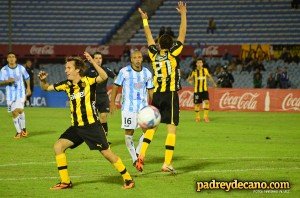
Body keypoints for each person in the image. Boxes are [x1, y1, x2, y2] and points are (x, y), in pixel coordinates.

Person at [38, 52, 134, 190]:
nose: (66, 70)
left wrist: (92, 62)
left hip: (92, 126)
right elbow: (46, 87)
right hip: (76, 127)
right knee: (58, 146)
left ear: (77, 69)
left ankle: (128, 179)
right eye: (65, 68)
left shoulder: (88, 80)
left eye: (68, 68)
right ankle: (65, 182)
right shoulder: (66, 85)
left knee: (107, 153)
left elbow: (104, 76)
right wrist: (42, 81)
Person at [136, 1, 187, 174]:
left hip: (156, 95)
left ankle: (140, 156)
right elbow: (182, 34)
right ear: (171, 44)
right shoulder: (174, 54)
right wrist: (183, 14)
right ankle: (166, 163)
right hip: (170, 95)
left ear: (158, 44)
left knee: (152, 128)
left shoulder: (153, 54)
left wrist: (145, 20)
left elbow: (148, 36)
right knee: (171, 129)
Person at [110, 50, 154, 167]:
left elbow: (150, 90)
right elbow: (115, 86)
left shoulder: (147, 73)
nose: (137, 59)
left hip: (143, 108)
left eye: (139, 57)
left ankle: (139, 151)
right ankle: (135, 158)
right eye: (135, 57)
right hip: (128, 109)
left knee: (150, 130)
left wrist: (154, 104)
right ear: (131, 59)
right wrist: (112, 103)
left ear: (142, 59)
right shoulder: (124, 72)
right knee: (129, 132)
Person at [85, 52, 115, 144]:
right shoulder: (88, 71)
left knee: (103, 117)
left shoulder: (106, 69)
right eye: (96, 58)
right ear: (93, 60)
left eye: (100, 58)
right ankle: (94, 139)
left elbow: (116, 77)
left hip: (103, 96)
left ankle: (104, 140)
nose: (98, 60)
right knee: (93, 120)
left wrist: (116, 85)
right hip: (91, 97)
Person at [0, 52, 31, 139]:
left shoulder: (21, 68)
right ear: (7, 59)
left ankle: (20, 131)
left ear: (15, 59)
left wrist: (28, 88)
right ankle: (22, 131)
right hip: (10, 94)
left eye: (13, 57)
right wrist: (7, 81)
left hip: (20, 93)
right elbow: (0, 81)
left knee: (19, 110)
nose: (11, 58)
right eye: (9, 57)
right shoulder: (3, 70)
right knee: (14, 113)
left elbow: (27, 77)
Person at [187, 58, 217, 123]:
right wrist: (192, 83)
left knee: (206, 102)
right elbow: (189, 79)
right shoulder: (194, 71)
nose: (200, 64)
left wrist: (213, 83)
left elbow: (209, 77)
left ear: (202, 64)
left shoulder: (205, 70)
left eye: (201, 62)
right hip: (197, 91)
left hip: (204, 90)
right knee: (197, 104)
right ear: (196, 64)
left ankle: (205, 117)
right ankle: (197, 117)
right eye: (198, 63)